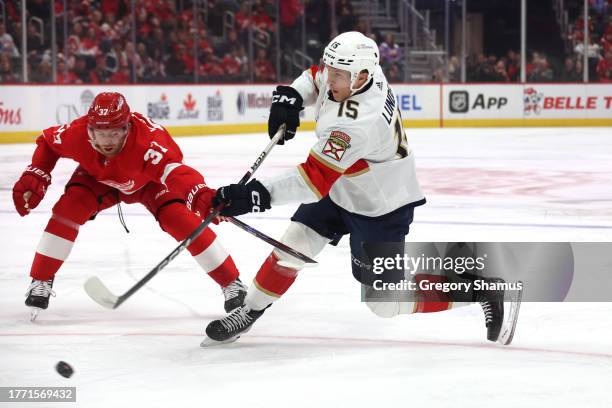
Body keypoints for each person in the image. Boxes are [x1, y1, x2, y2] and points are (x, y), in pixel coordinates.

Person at [203, 32, 521, 346]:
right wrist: (293, 95)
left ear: (361, 77)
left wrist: (253, 196)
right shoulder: (361, 71)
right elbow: (315, 76)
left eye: (339, 75)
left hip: (380, 204)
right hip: (344, 184)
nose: (330, 80)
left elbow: (311, 180)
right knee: (294, 244)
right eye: (332, 70)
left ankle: (481, 290)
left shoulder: (357, 124)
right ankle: (250, 311)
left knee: (383, 301)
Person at [13, 92, 247, 321]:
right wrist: (38, 171)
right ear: (89, 130)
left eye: (114, 133)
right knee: (67, 210)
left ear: (127, 127)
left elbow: (175, 172)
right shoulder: (77, 133)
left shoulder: (149, 144)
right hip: (99, 178)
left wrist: (200, 194)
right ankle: (41, 279)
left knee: (182, 221)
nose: (107, 141)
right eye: (100, 133)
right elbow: (48, 143)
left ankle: (231, 282)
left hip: (149, 183)